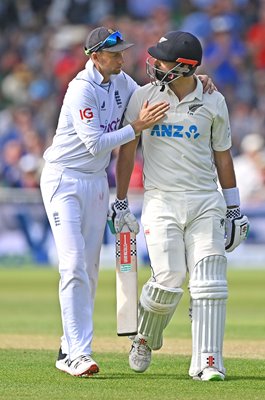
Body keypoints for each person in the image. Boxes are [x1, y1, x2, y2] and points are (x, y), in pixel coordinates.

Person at [40, 26, 215, 378]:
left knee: (89, 269)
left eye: (122, 52)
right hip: (65, 179)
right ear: (95, 57)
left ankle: (69, 347)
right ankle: (78, 354)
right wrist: (136, 126)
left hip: (95, 182)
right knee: (73, 265)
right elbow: (95, 144)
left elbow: (158, 92)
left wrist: (196, 81)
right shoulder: (80, 89)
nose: (123, 58)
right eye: (115, 53)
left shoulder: (122, 83)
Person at [110, 31, 249, 381]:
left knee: (209, 281)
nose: (155, 63)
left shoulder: (214, 101)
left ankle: (208, 361)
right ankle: (144, 336)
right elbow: (128, 149)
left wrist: (233, 208)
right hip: (161, 200)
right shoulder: (143, 96)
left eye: (163, 60)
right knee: (169, 279)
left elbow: (223, 155)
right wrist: (121, 200)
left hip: (205, 201)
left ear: (183, 68)